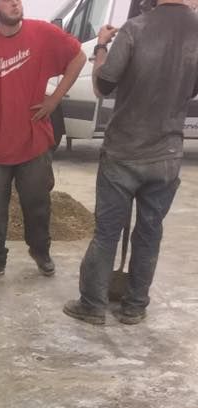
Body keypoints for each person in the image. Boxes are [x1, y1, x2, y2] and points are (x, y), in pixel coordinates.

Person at [64, 0, 198, 325]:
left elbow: (103, 85)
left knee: (107, 232)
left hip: (123, 153)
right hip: (167, 156)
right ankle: (135, 306)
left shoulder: (135, 28)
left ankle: (93, 305)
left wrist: (100, 46)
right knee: (150, 232)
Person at [0, 0, 86, 280]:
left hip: (34, 142)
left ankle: (41, 252)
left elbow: (78, 57)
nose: (16, 2)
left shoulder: (42, 33)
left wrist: (54, 99)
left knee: (38, 205)